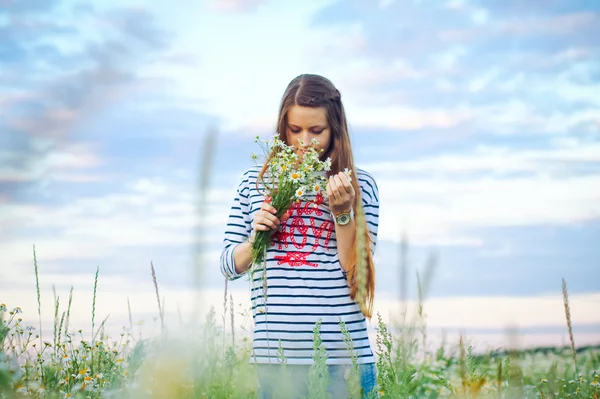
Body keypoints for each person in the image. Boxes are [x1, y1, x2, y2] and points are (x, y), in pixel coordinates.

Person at [220, 74, 380, 399]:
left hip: (342, 360)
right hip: (276, 360)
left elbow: (358, 280)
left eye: (316, 131)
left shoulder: (359, 185)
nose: (305, 141)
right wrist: (257, 240)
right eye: (295, 131)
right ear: (283, 128)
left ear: (335, 129)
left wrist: (343, 214)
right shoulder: (255, 181)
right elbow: (227, 264)